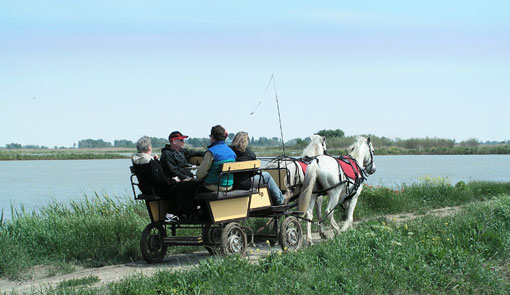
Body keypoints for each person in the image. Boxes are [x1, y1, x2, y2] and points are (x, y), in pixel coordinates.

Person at [132, 136, 196, 219]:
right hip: (157, 189)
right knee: (183, 186)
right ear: (149, 147)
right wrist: (173, 180)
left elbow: (154, 175)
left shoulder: (137, 160)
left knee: (180, 186)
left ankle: (181, 213)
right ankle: (172, 213)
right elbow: (161, 180)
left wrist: (156, 161)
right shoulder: (150, 162)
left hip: (146, 188)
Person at [230, 131, 285, 205]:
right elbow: (254, 172)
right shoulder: (250, 154)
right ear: (246, 142)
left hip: (230, 183)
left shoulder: (229, 152)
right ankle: (280, 200)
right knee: (266, 175)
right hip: (245, 184)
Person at [196, 125, 236, 192]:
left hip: (214, 186)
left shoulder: (211, 152)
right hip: (229, 186)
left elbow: (201, 174)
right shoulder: (232, 152)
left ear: (212, 137)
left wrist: (197, 178)